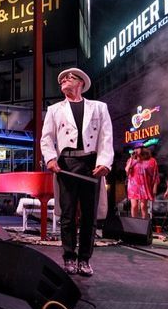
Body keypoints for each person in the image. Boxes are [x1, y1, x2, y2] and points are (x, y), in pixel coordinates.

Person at [41, 67, 114, 276]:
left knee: (89, 216)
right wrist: (51, 158)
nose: (63, 80)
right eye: (62, 79)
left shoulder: (99, 107)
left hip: (92, 164)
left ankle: (85, 260)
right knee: (68, 214)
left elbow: (106, 137)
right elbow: (46, 138)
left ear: (81, 82)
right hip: (66, 164)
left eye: (69, 77)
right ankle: (69, 258)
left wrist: (105, 162)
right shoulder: (55, 109)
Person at [125, 142, 159, 218]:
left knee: (143, 206)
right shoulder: (131, 160)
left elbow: (155, 174)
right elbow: (127, 171)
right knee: (134, 206)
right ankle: (134, 225)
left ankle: (144, 226)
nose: (135, 150)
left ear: (143, 149)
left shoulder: (151, 160)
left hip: (144, 185)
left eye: (137, 148)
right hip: (133, 186)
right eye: (134, 149)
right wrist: (131, 159)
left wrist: (155, 187)